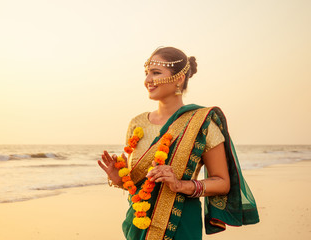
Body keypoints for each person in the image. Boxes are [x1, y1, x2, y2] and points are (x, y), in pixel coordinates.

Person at [98, 46, 259, 240]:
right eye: (147, 73)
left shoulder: (200, 122)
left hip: (180, 222)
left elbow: (223, 183)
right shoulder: (137, 123)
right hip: (139, 224)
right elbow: (139, 185)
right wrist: (119, 180)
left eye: (156, 73)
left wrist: (179, 185)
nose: (148, 80)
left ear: (179, 78)